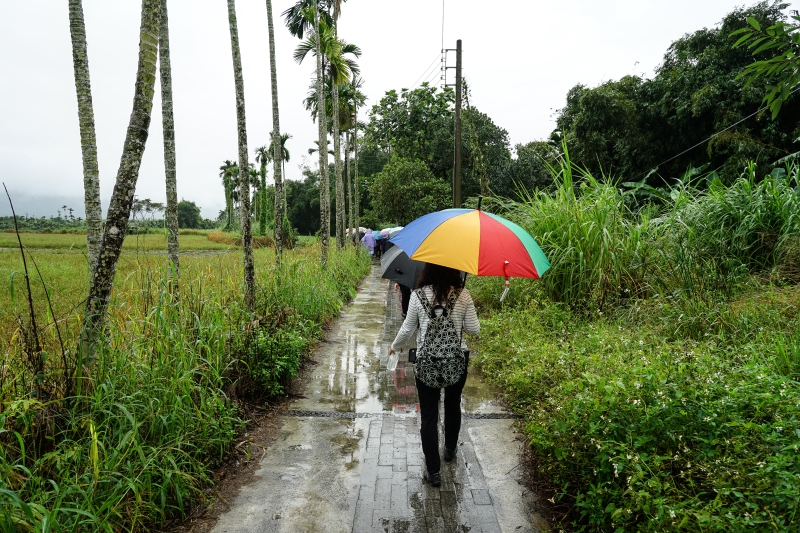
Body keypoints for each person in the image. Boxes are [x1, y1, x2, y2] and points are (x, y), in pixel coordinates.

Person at [388, 263, 480, 487]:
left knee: (429, 416)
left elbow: (408, 329)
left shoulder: (418, 295)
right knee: (452, 403)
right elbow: (474, 330)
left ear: (426, 271)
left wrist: (395, 346)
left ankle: (433, 471)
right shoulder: (464, 294)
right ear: (455, 271)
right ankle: (449, 449)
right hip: (455, 364)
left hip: (426, 364)